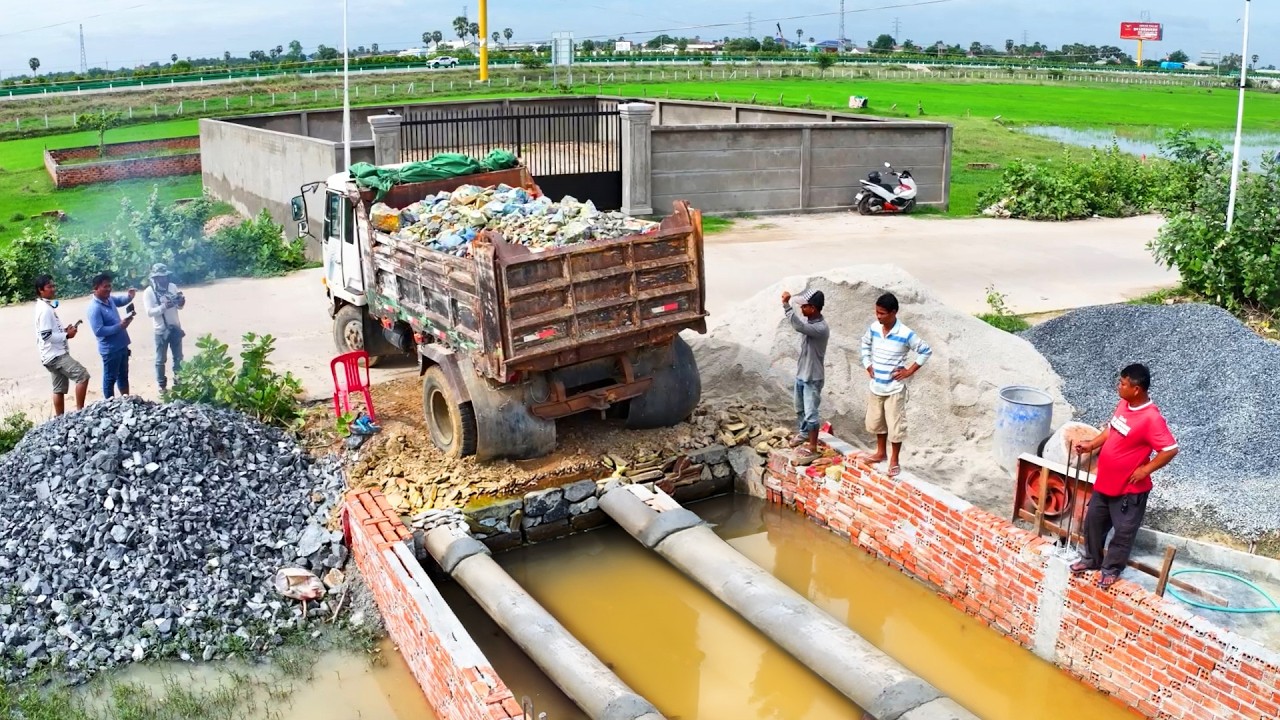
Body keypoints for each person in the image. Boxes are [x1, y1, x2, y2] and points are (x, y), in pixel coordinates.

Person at [1072, 364, 1179, 590]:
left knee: (1123, 533)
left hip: (1128, 491)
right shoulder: (1124, 404)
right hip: (1105, 483)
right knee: (1093, 523)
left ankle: (1111, 569)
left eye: (1122, 384)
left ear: (1136, 389)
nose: (1118, 387)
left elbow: (1170, 449)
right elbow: (1112, 428)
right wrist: (1092, 444)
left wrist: (1145, 470)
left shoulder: (1151, 418)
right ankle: (1091, 559)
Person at [858, 292, 932, 478]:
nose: (878, 316)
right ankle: (881, 452)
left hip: (895, 389)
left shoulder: (905, 334)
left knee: (895, 426)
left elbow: (925, 351)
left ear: (893, 312)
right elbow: (864, 344)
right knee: (877, 422)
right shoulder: (874, 328)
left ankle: (894, 460)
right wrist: (867, 364)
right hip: (876, 386)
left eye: (882, 313)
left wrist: (909, 371)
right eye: (876, 312)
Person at [781, 289, 829, 466]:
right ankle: (803, 434)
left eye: (804, 306)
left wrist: (786, 306)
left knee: (811, 413)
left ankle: (813, 447)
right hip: (802, 374)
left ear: (813, 308)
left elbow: (798, 326)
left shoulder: (820, 328)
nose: (801, 309)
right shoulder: (811, 321)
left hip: (813, 377)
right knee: (799, 408)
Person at [33, 275, 91, 416]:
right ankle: (80, 412)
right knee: (82, 376)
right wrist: (66, 335)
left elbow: (48, 332)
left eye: (53, 286)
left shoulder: (44, 306)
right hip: (56, 355)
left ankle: (59, 419)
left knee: (58, 389)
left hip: (48, 356)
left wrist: (64, 331)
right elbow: (46, 336)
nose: (53, 289)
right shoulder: (45, 310)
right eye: (49, 287)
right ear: (41, 290)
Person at [86, 272, 136, 399]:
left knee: (123, 375)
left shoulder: (109, 299)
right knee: (110, 378)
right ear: (96, 288)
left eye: (109, 286)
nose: (109, 289)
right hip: (110, 350)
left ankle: (126, 400)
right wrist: (119, 326)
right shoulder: (94, 308)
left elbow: (119, 301)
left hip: (122, 345)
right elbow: (99, 331)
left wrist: (129, 297)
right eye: (105, 286)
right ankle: (110, 404)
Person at [144, 263, 187, 392]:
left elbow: (179, 307)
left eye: (164, 276)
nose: (163, 279)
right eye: (160, 277)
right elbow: (149, 312)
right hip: (161, 330)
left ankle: (179, 382)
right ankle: (161, 385)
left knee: (178, 357)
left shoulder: (172, 287)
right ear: (154, 278)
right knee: (160, 359)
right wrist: (163, 307)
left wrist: (181, 303)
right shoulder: (149, 292)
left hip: (175, 327)